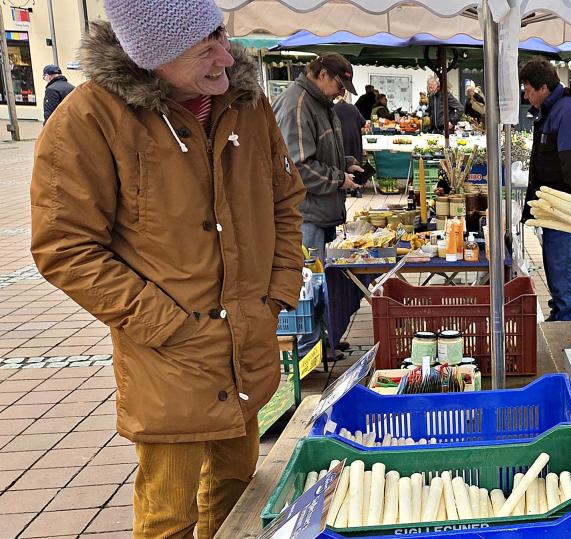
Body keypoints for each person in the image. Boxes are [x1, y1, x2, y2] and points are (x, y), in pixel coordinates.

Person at [28, 1, 306, 536]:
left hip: (247, 341)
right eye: (204, 48)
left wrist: (277, 293)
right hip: (168, 357)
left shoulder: (246, 103)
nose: (226, 57)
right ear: (151, 55)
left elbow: (284, 201)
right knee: (168, 516)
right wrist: (166, 324)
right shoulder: (90, 118)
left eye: (221, 35)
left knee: (239, 490)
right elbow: (64, 245)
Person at [519, 57, 571, 321]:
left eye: (528, 90)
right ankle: (559, 322)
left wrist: (569, 215)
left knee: (566, 288)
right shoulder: (553, 110)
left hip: (567, 215)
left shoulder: (568, 111)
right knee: (558, 282)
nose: (526, 96)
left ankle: (566, 333)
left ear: (543, 87)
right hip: (555, 213)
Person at [273, 53, 365, 264]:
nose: (342, 93)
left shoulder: (320, 103)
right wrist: (339, 179)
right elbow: (298, 167)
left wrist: (346, 164)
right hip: (305, 216)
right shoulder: (297, 106)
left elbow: (320, 153)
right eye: (340, 86)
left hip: (319, 212)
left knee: (322, 275)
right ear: (323, 75)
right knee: (310, 277)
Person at [334, 93, 368, 199]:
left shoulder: (333, 109)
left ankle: (345, 188)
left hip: (340, 138)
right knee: (355, 161)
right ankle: (357, 189)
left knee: (341, 162)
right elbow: (363, 123)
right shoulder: (353, 108)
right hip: (354, 137)